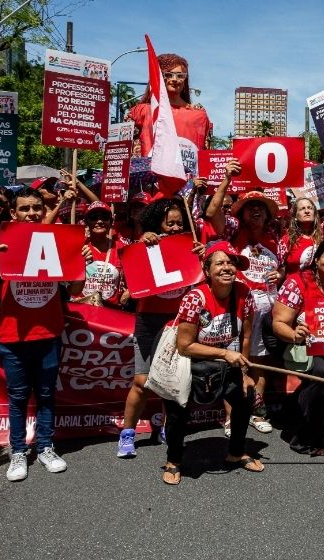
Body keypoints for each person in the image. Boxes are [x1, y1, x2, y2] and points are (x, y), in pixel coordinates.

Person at [0, 187, 85, 480]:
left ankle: (46, 446)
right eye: (24, 209)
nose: (31, 213)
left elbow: (75, 291)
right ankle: (18, 453)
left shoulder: (56, 243)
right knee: (18, 397)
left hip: (49, 334)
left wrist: (79, 264)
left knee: (47, 395)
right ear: (13, 214)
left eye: (36, 208)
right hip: (13, 337)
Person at [162, 242, 264, 485]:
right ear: (207, 270)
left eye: (231, 263)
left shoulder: (244, 293)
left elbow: (246, 336)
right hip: (188, 361)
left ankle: (236, 452)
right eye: (220, 263)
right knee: (177, 412)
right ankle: (174, 460)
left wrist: (244, 371)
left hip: (225, 359)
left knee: (244, 397)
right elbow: (184, 345)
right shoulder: (194, 299)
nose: (227, 267)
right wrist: (224, 355)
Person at [206, 162, 284, 435]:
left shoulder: (276, 238)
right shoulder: (231, 230)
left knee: (260, 361)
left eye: (261, 207)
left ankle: (257, 409)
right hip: (237, 305)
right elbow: (212, 211)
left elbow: (283, 267)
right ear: (242, 212)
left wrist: (280, 273)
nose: (256, 211)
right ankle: (231, 417)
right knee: (235, 360)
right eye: (251, 207)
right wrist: (227, 178)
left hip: (268, 308)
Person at [117, 198, 193, 458]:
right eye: (168, 223)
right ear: (155, 223)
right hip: (148, 320)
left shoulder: (189, 245)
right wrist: (142, 242)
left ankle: (166, 426)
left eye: (178, 223)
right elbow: (130, 266)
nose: (174, 228)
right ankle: (127, 434)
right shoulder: (145, 244)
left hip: (177, 321)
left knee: (170, 380)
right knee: (142, 381)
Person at [272, 238, 324, 456]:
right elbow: (278, 324)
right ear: (316, 260)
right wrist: (294, 334)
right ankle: (304, 438)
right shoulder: (296, 282)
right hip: (301, 345)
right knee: (320, 374)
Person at [75, 201, 128, 308]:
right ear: (86, 222)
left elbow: (138, 276)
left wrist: (129, 292)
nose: (99, 221)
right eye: (94, 217)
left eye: (104, 217)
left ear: (111, 222)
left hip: (111, 312)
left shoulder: (122, 248)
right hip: (82, 310)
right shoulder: (77, 247)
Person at [280, 196, 322, 275]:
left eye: (310, 208)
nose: (307, 211)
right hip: (295, 285)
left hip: (317, 286)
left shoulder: (323, 236)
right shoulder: (287, 239)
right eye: (302, 208)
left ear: (315, 213)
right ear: (295, 216)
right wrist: (279, 274)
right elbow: (280, 266)